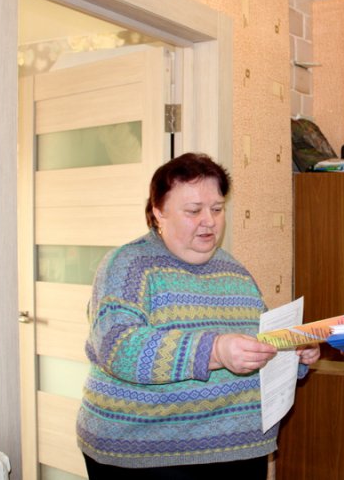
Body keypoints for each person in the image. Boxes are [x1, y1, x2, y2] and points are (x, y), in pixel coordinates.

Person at [76, 152, 320, 479]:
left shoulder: (235, 271)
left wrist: (294, 352)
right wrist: (214, 350)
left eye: (217, 209)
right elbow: (118, 347)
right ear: (157, 212)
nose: (209, 220)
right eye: (193, 210)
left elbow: (257, 343)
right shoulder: (128, 265)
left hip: (239, 447)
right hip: (146, 453)